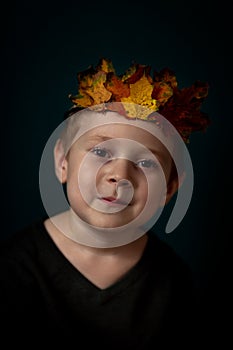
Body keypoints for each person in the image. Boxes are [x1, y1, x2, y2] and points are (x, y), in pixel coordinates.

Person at [0, 58, 210, 347]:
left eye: (146, 161)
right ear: (62, 162)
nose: (119, 175)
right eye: (100, 151)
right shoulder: (13, 270)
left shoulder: (172, 282)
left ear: (169, 188)